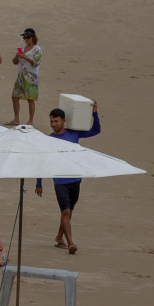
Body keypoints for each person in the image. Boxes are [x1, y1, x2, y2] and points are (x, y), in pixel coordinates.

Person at [37, 103, 103, 253]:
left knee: (68, 211)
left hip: (76, 179)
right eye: (51, 122)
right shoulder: (49, 140)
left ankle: (59, 238)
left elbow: (96, 130)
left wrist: (94, 114)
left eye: (56, 121)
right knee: (66, 212)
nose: (53, 124)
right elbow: (41, 161)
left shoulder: (74, 134)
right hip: (59, 180)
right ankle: (71, 243)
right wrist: (39, 182)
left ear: (63, 121)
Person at [10, 28, 42, 126]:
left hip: (31, 76)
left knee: (30, 99)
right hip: (20, 75)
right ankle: (16, 119)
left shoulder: (37, 49)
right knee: (15, 97)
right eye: (25, 37)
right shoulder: (23, 47)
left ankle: (30, 121)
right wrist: (17, 56)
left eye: (28, 37)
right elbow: (14, 62)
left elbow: (36, 63)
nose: (26, 39)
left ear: (33, 38)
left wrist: (25, 57)